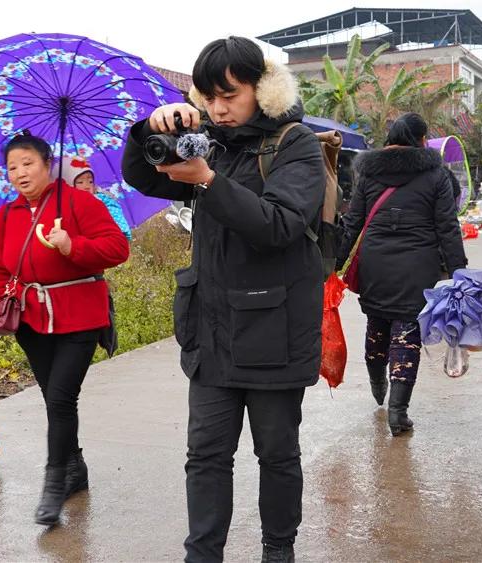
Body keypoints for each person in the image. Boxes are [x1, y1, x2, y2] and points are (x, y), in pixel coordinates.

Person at [122, 36, 325, 563]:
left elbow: (279, 224)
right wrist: (152, 128)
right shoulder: (205, 140)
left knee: (277, 455)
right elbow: (141, 175)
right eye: (207, 97)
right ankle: (202, 555)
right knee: (206, 456)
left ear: (262, 89)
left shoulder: (294, 144)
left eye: (229, 95)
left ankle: (278, 551)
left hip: (274, 332)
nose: (217, 108)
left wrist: (209, 182)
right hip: (211, 330)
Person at [0, 132, 129, 526]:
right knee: (54, 399)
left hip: (79, 316)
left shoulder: (79, 202)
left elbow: (118, 249)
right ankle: (75, 468)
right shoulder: (6, 215)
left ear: (48, 164)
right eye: (12, 167)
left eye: (28, 163)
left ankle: (53, 485)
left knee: (62, 398)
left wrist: (72, 246)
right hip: (30, 320)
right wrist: (9, 294)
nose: (20, 173)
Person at [336, 113, 467, 435]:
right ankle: (398, 411)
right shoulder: (436, 175)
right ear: (422, 140)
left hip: (375, 264)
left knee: (377, 323)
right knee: (407, 332)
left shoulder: (368, 173)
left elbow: (353, 222)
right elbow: (447, 227)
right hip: (418, 266)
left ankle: (377, 382)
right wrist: (459, 271)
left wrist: (335, 265)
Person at [58, 156, 133, 240]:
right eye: (80, 182)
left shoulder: (101, 198)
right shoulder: (65, 204)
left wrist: (120, 231)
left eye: (90, 182)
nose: (87, 186)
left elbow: (114, 212)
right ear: (70, 185)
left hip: (104, 237)